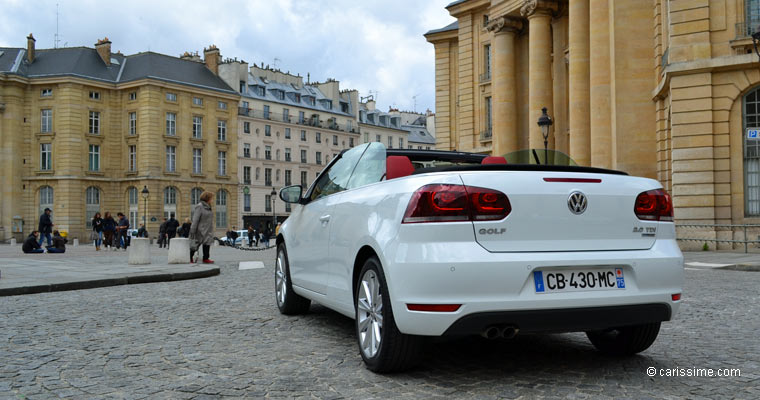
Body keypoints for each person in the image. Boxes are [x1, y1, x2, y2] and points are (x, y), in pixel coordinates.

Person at [189, 191, 215, 264]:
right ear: (207, 198)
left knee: (207, 244)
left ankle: (206, 258)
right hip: (199, 229)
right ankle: (190, 258)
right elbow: (195, 219)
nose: (212, 200)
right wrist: (193, 230)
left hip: (208, 229)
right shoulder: (199, 206)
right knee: (195, 244)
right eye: (211, 198)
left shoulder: (209, 207)